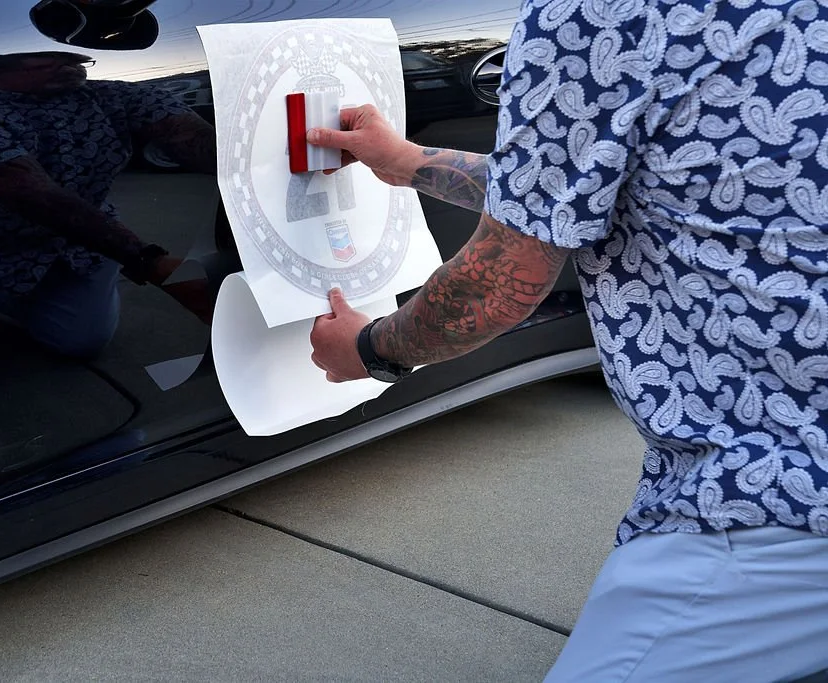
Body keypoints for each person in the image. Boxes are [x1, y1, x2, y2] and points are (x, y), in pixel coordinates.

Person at [307, 0, 828, 680]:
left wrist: (373, 347)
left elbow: (503, 280)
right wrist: (410, 163)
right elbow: (587, 186)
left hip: (778, 494)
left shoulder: (595, 11)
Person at [0, 50, 216, 362]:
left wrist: (248, 167)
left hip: (75, 248)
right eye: (43, 56)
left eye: (71, 54)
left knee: (82, 342)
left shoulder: (113, 96)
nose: (71, 61)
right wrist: (150, 263)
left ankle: (16, 298)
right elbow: (36, 197)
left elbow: (194, 139)